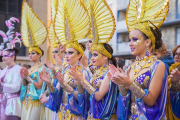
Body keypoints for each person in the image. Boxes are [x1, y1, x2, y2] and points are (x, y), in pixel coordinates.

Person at [108, 0, 169, 119]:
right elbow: (126, 98)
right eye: (129, 40)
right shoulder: (131, 66)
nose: (130, 44)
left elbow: (151, 100)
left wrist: (129, 83)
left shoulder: (158, 65)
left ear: (147, 42)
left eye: (135, 39)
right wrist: (121, 84)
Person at [40, 0, 91, 119]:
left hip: (75, 115)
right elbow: (56, 93)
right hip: (61, 113)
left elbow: (82, 98)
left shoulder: (84, 72)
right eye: (66, 53)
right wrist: (48, 83)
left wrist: (64, 85)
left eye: (71, 53)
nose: (66, 55)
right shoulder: (65, 71)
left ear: (79, 55)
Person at [70, 0, 118, 119]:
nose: (93, 58)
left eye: (96, 55)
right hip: (92, 114)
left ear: (105, 56)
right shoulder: (96, 72)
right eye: (93, 55)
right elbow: (86, 94)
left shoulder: (109, 73)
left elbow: (98, 96)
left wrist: (83, 80)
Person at [19, 1, 50, 120]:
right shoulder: (30, 68)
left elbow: (39, 86)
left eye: (33, 53)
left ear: (39, 55)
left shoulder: (42, 68)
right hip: (27, 100)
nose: (30, 55)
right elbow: (25, 86)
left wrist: (27, 77)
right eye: (29, 53)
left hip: (36, 102)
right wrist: (23, 79)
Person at [0, 17, 22, 120]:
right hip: (3, 103)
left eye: (6, 55)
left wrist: (2, 84)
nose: (3, 58)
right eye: (2, 56)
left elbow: (17, 87)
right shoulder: (3, 71)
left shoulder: (18, 69)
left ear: (13, 56)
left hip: (14, 105)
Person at [166, 45, 180, 119]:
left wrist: (175, 83)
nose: (176, 57)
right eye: (175, 54)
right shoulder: (170, 75)